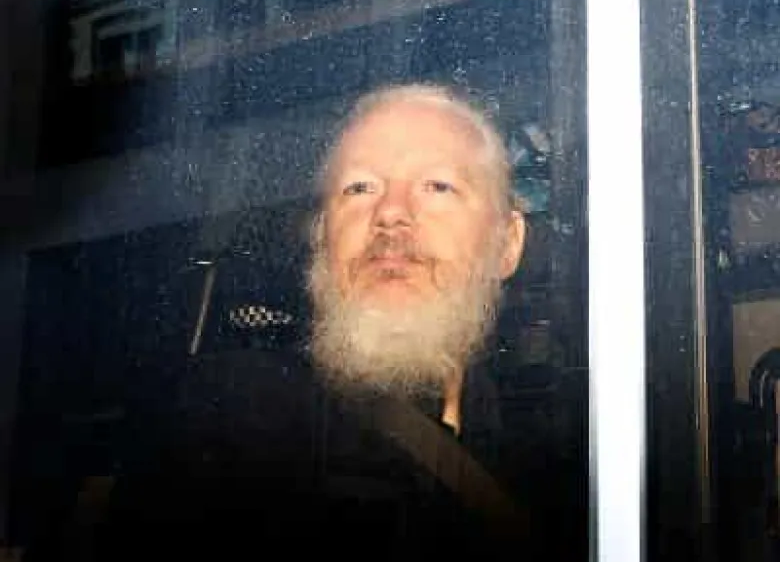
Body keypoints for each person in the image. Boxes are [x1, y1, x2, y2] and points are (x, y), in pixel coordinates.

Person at [85, 84, 584, 561]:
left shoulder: (563, 465)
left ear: (507, 243)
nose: (390, 213)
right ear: (323, 240)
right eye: (359, 188)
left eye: (437, 186)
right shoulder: (230, 417)